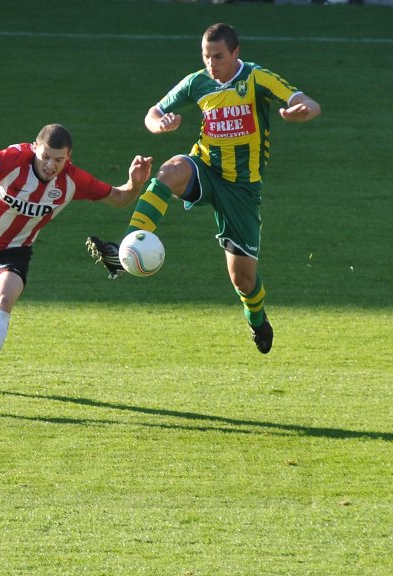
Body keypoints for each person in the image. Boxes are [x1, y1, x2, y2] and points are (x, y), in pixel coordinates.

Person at [87, 22, 320, 354]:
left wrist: (301, 113)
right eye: (206, 56)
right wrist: (159, 126)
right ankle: (123, 249)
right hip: (205, 167)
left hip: (241, 189)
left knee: (243, 279)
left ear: (236, 53)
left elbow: (309, 103)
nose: (211, 63)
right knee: (170, 170)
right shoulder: (197, 82)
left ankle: (258, 321)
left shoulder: (256, 78)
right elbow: (153, 113)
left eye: (218, 56)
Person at [0, 124, 152, 408]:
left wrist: (135, 183)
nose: (51, 165)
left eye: (58, 160)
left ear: (69, 157)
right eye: (46, 157)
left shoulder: (73, 181)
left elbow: (119, 197)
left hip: (14, 250)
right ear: (35, 148)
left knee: (2, 302)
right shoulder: (13, 159)